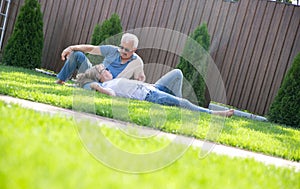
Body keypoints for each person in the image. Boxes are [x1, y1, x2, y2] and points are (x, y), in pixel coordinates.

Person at [76, 65, 234, 117]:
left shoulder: (113, 80)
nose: (108, 70)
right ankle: (215, 114)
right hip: (151, 96)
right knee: (184, 102)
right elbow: (112, 95)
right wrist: (97, 88)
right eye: (105, 70)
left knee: (177, 73)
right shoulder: (107, 86)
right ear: (100, 77)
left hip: (153, 87)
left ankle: (178, 105)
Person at [56, 33, 146, 85]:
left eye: (126, 49)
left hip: (109, 86)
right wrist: (71, 48)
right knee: (77, 54)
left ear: (134, 50)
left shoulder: (137, 62)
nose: (122, 51)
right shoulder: (112, 50)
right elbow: (91, 49)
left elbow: (138, 80)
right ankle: (61, 80)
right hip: (95, 75)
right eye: (121, 47)